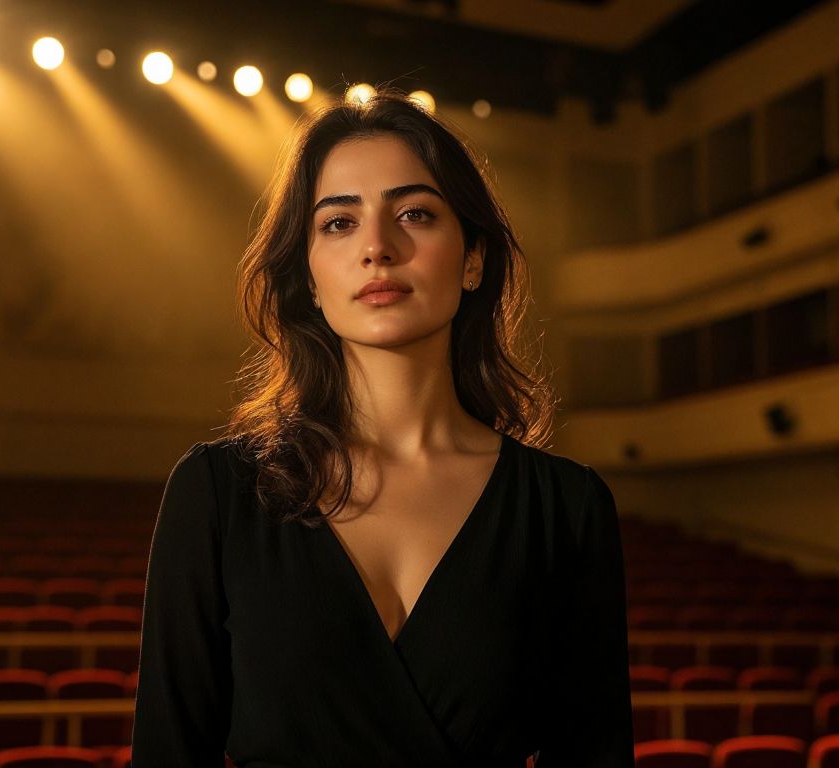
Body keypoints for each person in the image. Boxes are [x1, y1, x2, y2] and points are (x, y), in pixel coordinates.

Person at [133, 89, 632, 767]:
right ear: (309, 275)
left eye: (416, 214)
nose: (377, 247)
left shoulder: (567, 508)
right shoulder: (216, 493)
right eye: (339, 223)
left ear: (473, 258)